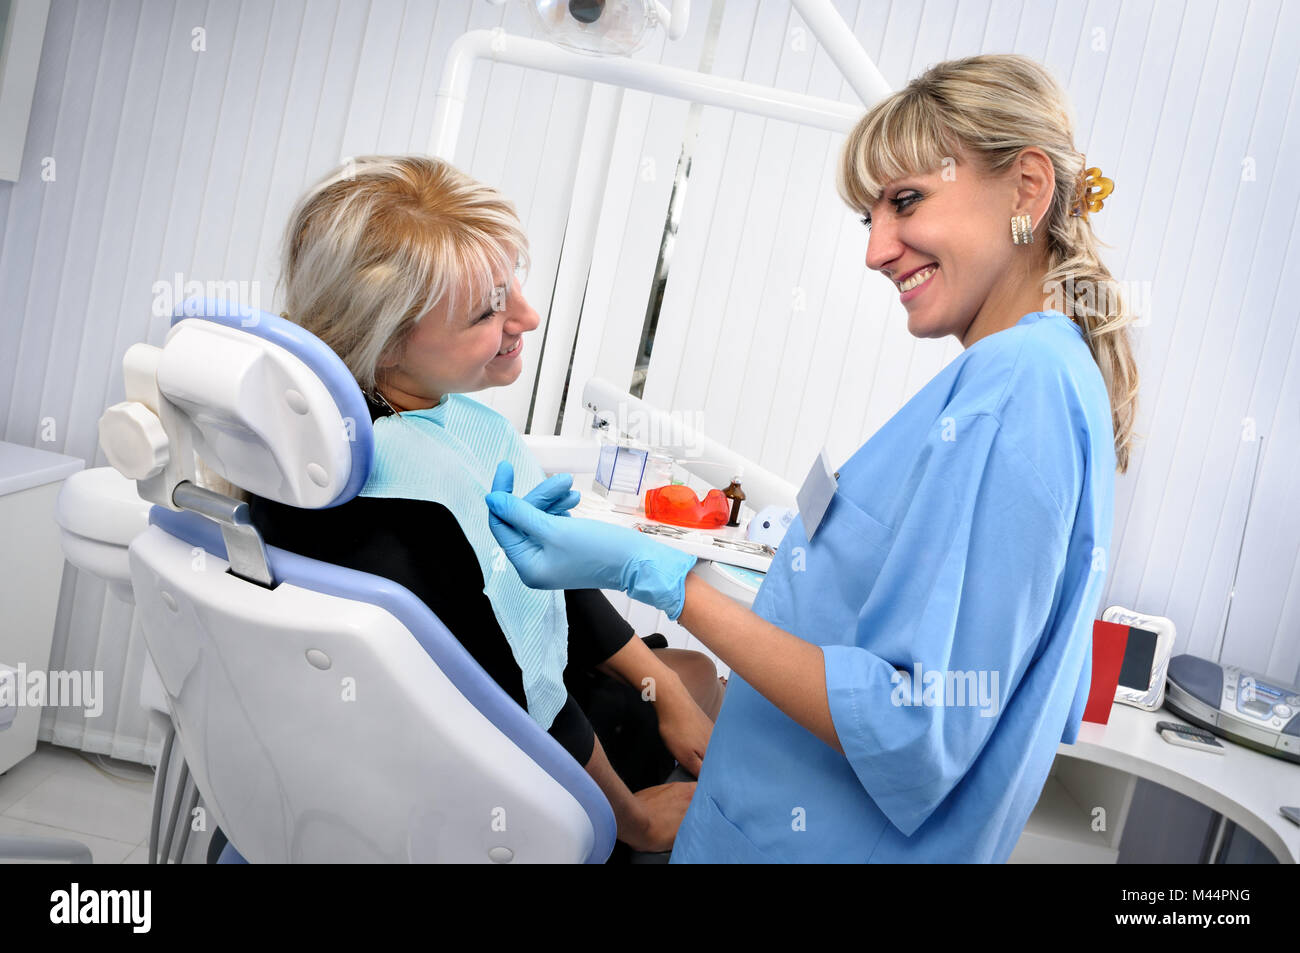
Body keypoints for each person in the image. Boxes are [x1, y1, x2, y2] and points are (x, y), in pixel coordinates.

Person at [483, 54, 1138, 862]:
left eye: (907, 201)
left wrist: (662, 577)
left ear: (1026, 191)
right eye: (870, 218)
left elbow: (914, 724)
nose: (877, 249)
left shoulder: (1018, 391)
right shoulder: (1036, 377)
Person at [247, 155, 722, 856]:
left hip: (448, 722)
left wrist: (663, 688)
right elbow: (514, 690)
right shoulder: (410, 510)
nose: (527, 316)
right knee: (708, 686)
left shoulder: (342, 438)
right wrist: (628, 816)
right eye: (489, 308)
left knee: (685, 678)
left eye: (512, 287)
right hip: (504, 760)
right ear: (385, 342)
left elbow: (544, 586)